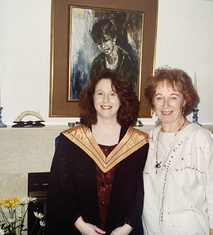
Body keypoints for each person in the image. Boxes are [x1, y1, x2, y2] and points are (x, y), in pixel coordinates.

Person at [45, 68, 149, 235]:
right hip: (78, 230)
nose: (106, 99)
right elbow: (59, 190)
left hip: (124, 231)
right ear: (92, 97)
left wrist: (128, 226)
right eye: (100, 93)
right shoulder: (71, 141)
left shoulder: (139, 143)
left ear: (122, 99)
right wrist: (80, 225)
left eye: (113, 94)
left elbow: (143, 192)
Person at [142, 68, 213, 234]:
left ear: (185, 101)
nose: (166, 105)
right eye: (159, 98)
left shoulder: (200, 138)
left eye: (173, 97)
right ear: (153, 102)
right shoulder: (152, 137)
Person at [89, 19, 139, 96]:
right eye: (99, 43)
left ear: (114, 37)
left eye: (106, 40)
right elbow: (91, 89)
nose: (103, 46)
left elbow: (132, 87)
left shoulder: (126, 59)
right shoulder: (97, 63)